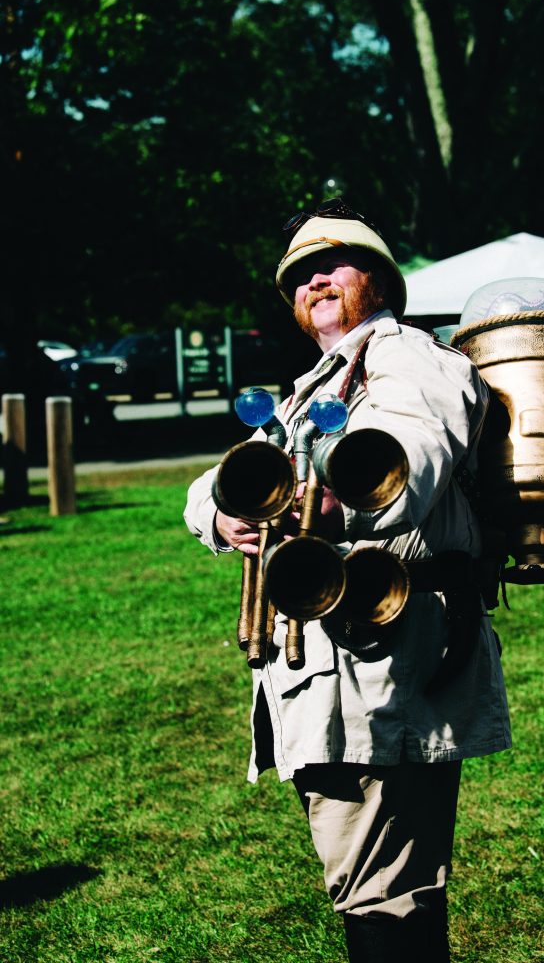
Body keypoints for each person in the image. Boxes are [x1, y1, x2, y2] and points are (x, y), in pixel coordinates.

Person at [184, 200, 511, 961]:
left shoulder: (407, 357)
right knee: (380, 875)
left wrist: (328, 498)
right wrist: (223, 516)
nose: (314, 280)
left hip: (378, 655)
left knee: (379, 883)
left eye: (335, 264)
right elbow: (215, 482)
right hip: (331, 665)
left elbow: (406, 455)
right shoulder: (308, 391)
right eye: (299, 274)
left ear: (381, 280)